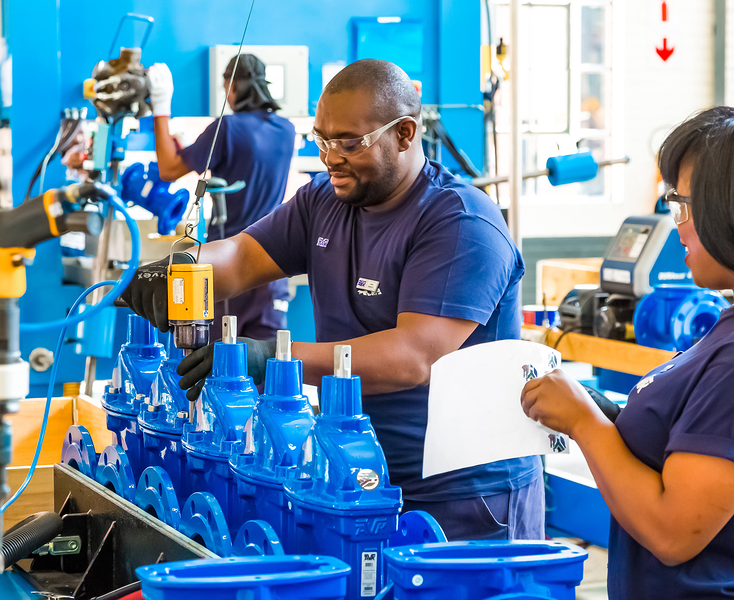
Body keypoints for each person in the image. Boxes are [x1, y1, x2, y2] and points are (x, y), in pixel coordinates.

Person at [121, 58, 544, 541]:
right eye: (321, 140)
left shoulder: (460, 223)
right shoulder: (323, 200)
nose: (329, 157)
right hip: (357, 475)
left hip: (465, 497)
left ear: (405, 133)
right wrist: (180, 272)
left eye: (349, 143)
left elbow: (414, 357)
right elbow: (239, 257)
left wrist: (272, 359)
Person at [521, 107, 734, 598]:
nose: (678, 227)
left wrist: (584, 424)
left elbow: (673, 532)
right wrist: (607, 411)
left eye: (684, 207)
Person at [146, 54, 295, 341]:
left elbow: (168, 169)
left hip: (231, 263)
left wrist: (160, 106)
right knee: (268, 364)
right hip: (273, 266)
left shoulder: (226, 128)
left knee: (218, 364)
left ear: (231, 85)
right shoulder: (286, 130)